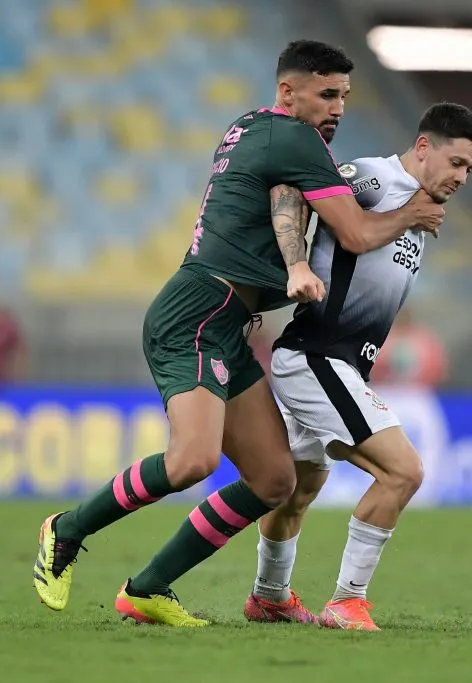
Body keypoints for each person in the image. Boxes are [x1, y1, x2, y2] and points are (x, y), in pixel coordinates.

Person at [31, 40, 446, 627]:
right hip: (198, 310)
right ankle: (65, 530)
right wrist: (412, 212)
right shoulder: (296, 138)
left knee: (274, 479)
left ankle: (148, 588)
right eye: (326, 94)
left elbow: (283, 197)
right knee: (192, 460)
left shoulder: (257, 129)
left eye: (345, 97)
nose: (337, 108)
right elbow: (353, 234)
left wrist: (297, 265)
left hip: (229, 322)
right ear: (288, 92)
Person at [242, 102, 472, 630]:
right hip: (315, 357)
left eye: (471, 169)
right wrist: (296, 264)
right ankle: (347, 601)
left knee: (299, 485)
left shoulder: (419, 210)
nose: (463, 177)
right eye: (458, 163)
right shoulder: (374, 178)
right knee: (403, 472)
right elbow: (296, 194)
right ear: (423, 148)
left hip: (338, 362)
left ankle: (268, 596)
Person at [368, 306, 447, 387]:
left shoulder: (425, 340)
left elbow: (437, 369)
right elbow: (369, 367)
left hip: (417, 390)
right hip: (385, 389)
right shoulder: (381, 337)